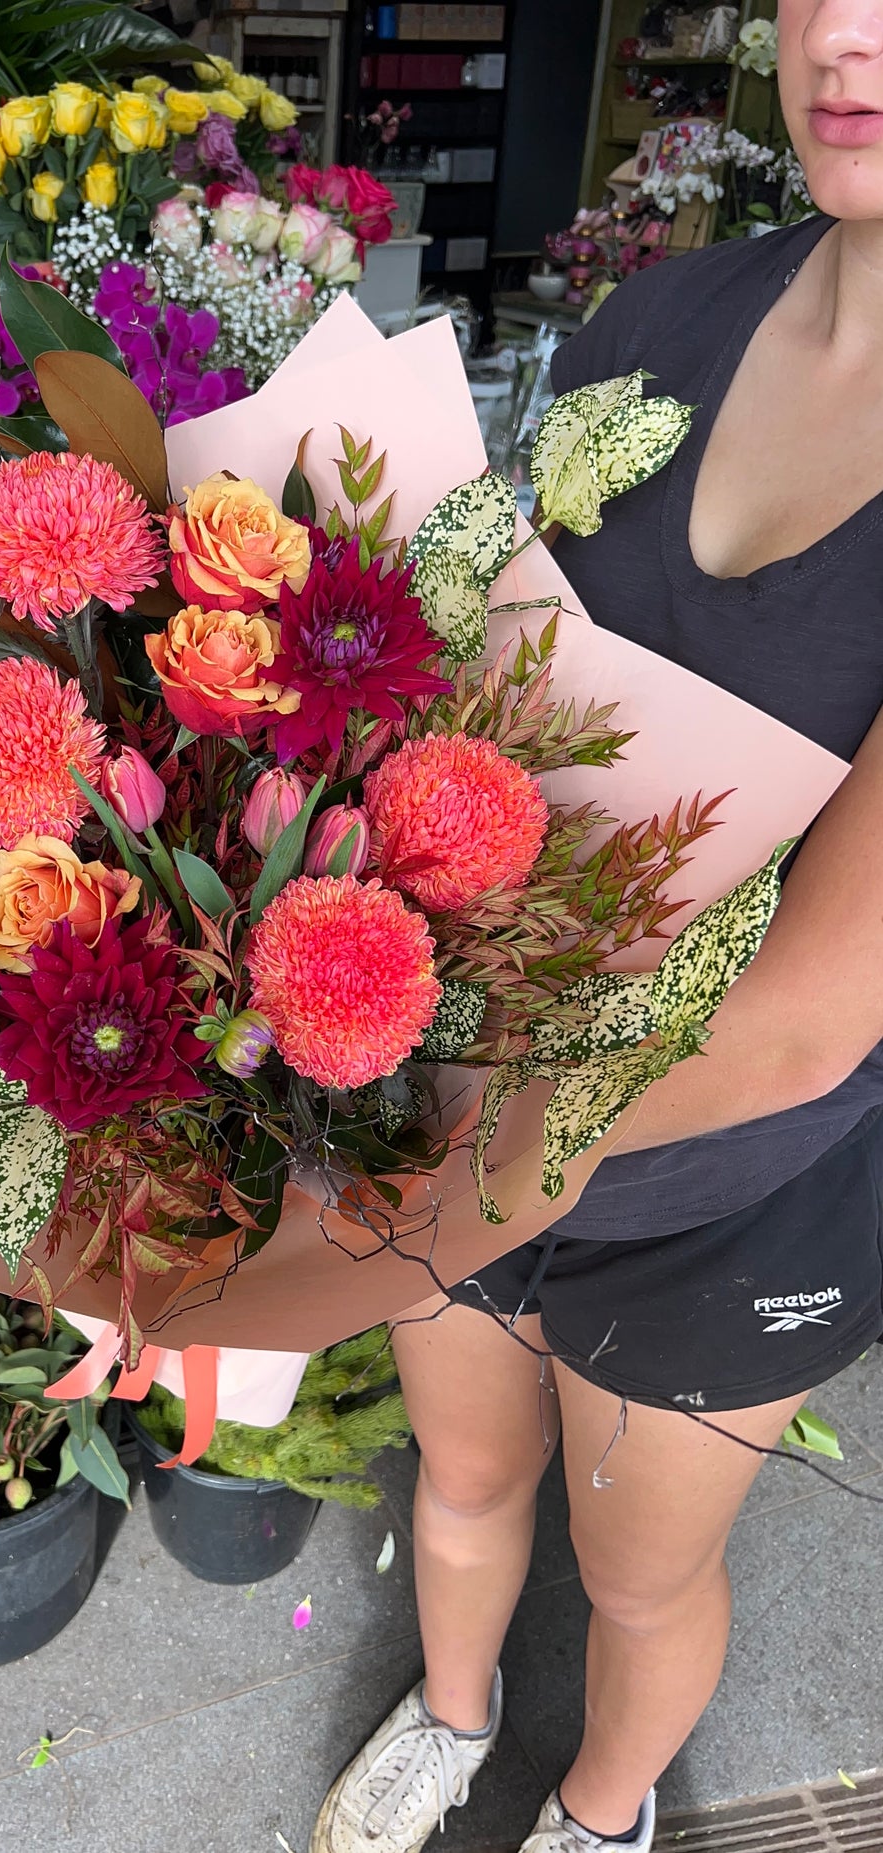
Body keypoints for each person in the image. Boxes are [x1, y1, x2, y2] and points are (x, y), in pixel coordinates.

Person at [312, 5, 883, 1850]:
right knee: (465, 1471)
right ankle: (454, 1712)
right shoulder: (667, 322)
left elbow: (801, 1019)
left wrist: (457, 1134)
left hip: (734, 1174)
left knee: (639, 1575)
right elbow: (479, 664)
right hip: (475, 1075)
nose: (846, 32)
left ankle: (604, 1804)